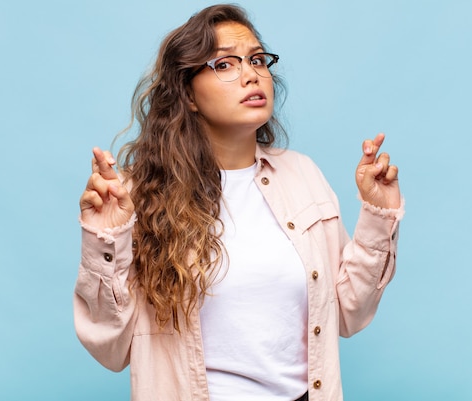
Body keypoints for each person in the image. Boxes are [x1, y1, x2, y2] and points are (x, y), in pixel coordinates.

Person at [74, 4, 404, 401]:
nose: (251, 74)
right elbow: (109, 347)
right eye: (225, 64)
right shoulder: (137, 195)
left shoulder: (303, 175)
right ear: (188, 94)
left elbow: (348, 313)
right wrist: (106, 238)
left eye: (258, 60)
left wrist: (377, 215)